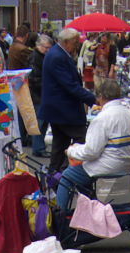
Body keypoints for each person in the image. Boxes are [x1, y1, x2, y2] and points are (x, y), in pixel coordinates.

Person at [53, 79, 130, 214]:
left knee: (68, 175)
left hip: (110, 164)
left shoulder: (102, 118)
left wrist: (72, 151)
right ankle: (92, 208)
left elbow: (91, 152)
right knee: (81, 173)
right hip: (125, 161)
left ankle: (59, 215)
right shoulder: (129, 114)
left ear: (101, 96)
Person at [39, 27, 99, 173]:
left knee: (60, 145)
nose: (77, 46)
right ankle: (71, 172)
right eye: (75, 43)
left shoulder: (58, 54)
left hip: (59, 110)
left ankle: (55, 176)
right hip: (63, 110)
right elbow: (69, 85)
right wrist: (93, 99)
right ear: (66, 42)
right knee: (82, 137)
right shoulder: (57, 57)